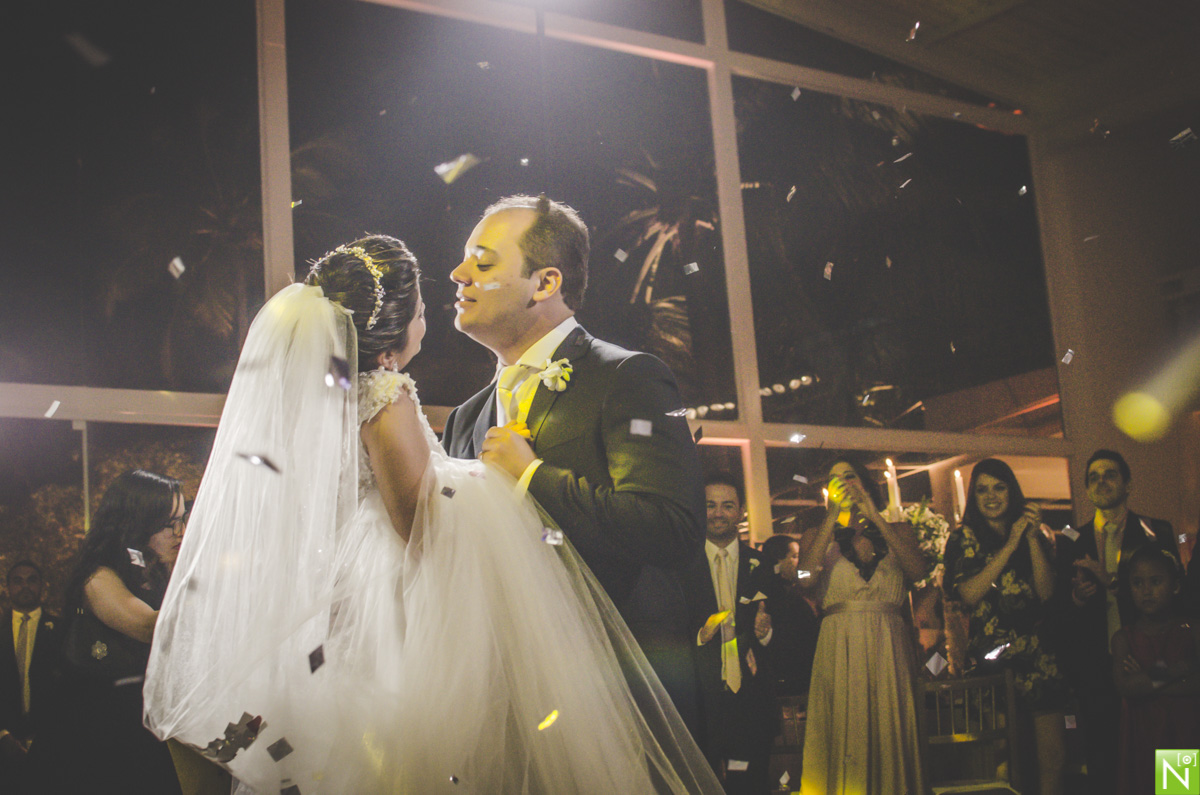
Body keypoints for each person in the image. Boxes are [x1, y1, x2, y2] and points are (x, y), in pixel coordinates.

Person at [143, 235, 721, 794]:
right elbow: (419, 522)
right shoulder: (386, 395)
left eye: (483, 262)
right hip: (406, 614)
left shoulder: (335, 404)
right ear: (390, 342)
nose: (450, 289)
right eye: (421, 309)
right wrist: (502, 476)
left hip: (391, 607)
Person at [440, 194, 706, 731]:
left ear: (545, 283)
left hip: (613, 688)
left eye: (483, 263)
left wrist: (532, 477)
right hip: (501, 693)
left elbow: (671, 529)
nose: (458, 274)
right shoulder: (465, 419)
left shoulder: (630, 376)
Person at [49, 470, 185, 794]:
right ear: (137, 524)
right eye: (169, 524)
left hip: (144, 731)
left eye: (183, 519)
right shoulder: (98, 577)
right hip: (101, 738)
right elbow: (150, 627)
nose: (180, 532)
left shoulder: (158, 573)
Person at [1054, 449, 1180, 795]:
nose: (1101, 481)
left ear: (1128, 484)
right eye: (1093, 477)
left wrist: (1112, 581)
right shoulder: (1070, 539)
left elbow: (1175, 595)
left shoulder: (1156, 531)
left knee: (1170, 744)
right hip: (1097, 667)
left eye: (1110, 474)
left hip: (1155, 658)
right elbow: (1059, 608)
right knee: (1104, 757)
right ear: (1086, 490)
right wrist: (1077, 599)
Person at [797, 459, 927, 795]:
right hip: (839, 643)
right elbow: (804, 578)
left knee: (889, 725)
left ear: (866, 484)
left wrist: (876, 518)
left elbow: (918, 572)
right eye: (834, 480)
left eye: (849, 477)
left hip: (888, 644)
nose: (842, 484)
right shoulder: (815, 535)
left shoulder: (899, 530)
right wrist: (831, 519)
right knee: (845, 724)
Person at [943, 458, 1066, 795]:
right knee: (1004, 759)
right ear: (973, 496)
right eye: (982, 490)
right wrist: (1009, 545)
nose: (991, 496)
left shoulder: (1031, 534)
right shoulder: (963, 538)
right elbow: (969, 593)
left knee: (1053, 757)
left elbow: (1046, 592)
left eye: (999, 487)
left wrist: (1029, 538)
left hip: (1039, 656)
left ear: (1012, 492)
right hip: (993, 660)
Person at [682, 474, 778, 794]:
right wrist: (700, 637)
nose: (718, 513)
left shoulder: (762, 564)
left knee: (749, 783)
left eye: (727, 506)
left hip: (751, 701)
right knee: (700, 783)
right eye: (710, 505)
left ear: (740, 512)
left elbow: (782, 631)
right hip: (700, 700)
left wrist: (765, 634)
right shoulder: (682, 566)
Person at [1111, 545, 1200, 795]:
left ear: (1175, 586)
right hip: (1142, 735)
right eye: (1138, 583)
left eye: (1156, 582)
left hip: (1181, 733)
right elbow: (1127, 687)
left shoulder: (1191, 631)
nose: (1146, 591)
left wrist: (1148, 681)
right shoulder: (1124, 639)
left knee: (1179, 791)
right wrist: (1176, 670)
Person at [0, 560, 63, 792]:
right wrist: (2, 735)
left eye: (31, 580)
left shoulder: (62, 631)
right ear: (7, 587)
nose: (25, 586)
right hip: (4, 747)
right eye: (18, 581)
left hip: (51, 745)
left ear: (42, 586)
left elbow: (69, 689)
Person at [758, 534, 819, 697]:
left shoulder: (786, 589)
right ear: (779, 560)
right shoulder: (781, 595)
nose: (799, 562)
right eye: (795, 556)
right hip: (792, 673)